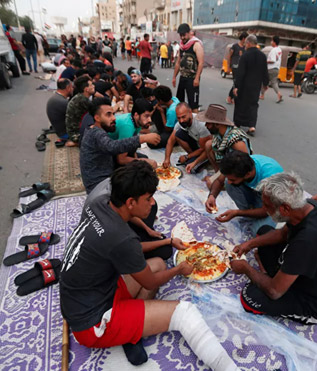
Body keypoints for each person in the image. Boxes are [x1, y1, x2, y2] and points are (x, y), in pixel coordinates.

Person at [60, 162, 238, 370]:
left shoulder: (101, 203)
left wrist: (168, 242)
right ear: (130, 202)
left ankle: (133, 328)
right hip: (93, 321)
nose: (153, 203)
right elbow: (149, 280)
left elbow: (130, 252)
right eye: (148, 198)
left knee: (158, 264)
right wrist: (180, 269)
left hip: (89, 293)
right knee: (185, 312)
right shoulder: (121, 237)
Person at [229, 172, 317, 324]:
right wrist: (249, 244)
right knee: (264, 232)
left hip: (313, 303)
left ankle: (272, 278)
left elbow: (274, 292)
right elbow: (282, 234)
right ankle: (273, 276)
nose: (264, 209)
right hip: (304, 268)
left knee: (249, 297)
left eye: (267, 206)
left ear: (284, 209)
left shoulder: (307, 241)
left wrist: (246, 269)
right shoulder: (309, 206)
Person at [79, 98, 160, 193]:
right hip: (98, 186)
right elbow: (112, 147)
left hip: (106, 171)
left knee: (142, 163)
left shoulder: (95, 129)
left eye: (113, 114)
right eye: (108, 114)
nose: (114, 118)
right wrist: (143, 138)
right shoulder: (97, 133)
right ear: (97, 118)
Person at [206, 151, 283, 234]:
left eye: (232, 179)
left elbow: (266, 211)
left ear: (247, 174)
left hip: (272, 206)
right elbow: (219, 180)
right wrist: (212, 196)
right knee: (229, 185)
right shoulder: (236, 166)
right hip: (258, 194)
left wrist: (237, 213)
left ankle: (250, 214)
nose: (229, 181)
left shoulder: (270, 179)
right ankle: (249, 213)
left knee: (260, 232)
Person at [195, 104, 252, 174]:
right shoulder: (218, 132)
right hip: (226, 162)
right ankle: (217, 172)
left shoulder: (236, 141)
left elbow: (246, 165)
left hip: (238, 170)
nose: (206, 125)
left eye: (208, 123)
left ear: (217, 124)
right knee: (208, 144)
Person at [233, 35, 269, 136]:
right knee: (253, 105)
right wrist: (265, 84)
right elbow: (264, 71)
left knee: (240, 103)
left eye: (245, 44)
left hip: (244, 85)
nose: (245, 45)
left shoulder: (245, 55)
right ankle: (252, 126)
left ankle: (237, 124)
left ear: (248, 43)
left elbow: (241, 73)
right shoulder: (262, 56)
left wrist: (236, 86)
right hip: (255, 85)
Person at [162, 102, 211, 173]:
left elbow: (203, 149)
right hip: (197, 143)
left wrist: (187, 157)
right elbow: (170, 141)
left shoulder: (201, 125)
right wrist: (167, 159)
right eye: (178, 118)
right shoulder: (180, 123)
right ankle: (194, 156)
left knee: (191, 169)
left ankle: (205, 160)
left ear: (190, 112)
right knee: (178, 134)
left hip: (206, 150)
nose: (181, 121)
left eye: (183, 117)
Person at [110, 99, 158, 168]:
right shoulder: (127, 126)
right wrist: (140, 161)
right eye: (146, 116)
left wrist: (138, 160)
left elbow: (132, 144)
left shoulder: (136, 121)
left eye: (150, 116)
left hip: (121, 148)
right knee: (144, 164)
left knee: (145, 159)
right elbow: (121, 159)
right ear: (136, 115)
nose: (150, 120)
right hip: (109, 155)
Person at [172, 23, 204, 113]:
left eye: (184, 35)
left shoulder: (196, 44)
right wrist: (174, 77)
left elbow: (201, 63)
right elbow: (178, 63)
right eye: (180, 35)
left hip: (192, 79)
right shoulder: (182, 46)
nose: (182, 37)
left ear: (189, 33)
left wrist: (197, 78)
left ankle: (195, 125)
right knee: (180, 102)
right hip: (183, 78)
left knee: (193, 105)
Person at [65, 75, 95, 146]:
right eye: (91, 85)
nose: (94, 86)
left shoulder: (80, 97)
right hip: (76, 134)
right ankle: (78, 142)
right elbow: (96, 113)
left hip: (72, 130)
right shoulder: (83, 100)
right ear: (86, 89)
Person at [226, 32, 247, 105]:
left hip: (241, 68)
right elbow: (229, 56)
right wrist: (228, 67)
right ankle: (231, 97)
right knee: (236, 82)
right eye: (246, 39)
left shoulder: (245, 48)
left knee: (239, 83)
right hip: (234, 67)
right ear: (244, 38)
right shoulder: (234, 46)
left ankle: (230, 97)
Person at [260, 36, 283, 103]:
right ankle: (279, 94)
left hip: (270, 68)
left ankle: (262, 95)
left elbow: (272, 60)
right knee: (274, 83)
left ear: (274, 42)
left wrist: (265, 61)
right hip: (277, 69)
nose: (271, 42)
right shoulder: (279, 50)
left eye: (271, 41)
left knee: (263, 81)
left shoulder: (273, 50)